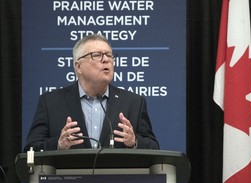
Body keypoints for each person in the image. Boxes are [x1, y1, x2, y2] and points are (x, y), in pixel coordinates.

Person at [23, 34, 159, 152]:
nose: (106, 60)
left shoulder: (133, 102)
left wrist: (134, 142)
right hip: (68, 181)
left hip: (118, 181)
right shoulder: (50, 102)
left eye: (109, 55)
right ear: (78, 67)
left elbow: (154, 148)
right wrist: (58, 144)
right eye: (97, 55)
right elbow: (31, 149)